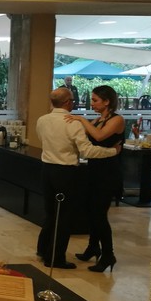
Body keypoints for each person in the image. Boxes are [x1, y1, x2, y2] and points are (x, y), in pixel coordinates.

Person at [35, 87, 119, 269]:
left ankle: (43, 250)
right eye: (72, 100)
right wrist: (113, 151)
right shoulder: (72, 123)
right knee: (64, 216)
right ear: (67, 103)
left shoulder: (42, 120)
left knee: (50, 213)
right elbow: (86, 151)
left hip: (46, 169)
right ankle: (55, 257)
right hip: (65, 172)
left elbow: (42, 140)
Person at [64, 85, 124, 272]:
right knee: (91, 211)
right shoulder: (98, 119)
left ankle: (108, 254)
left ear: (107, 101)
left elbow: (98, 136)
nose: (92, 103)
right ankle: (93, 247)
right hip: (94, 169)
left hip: (108, 173)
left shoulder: (117, 120)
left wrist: (81, 119)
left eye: (95, 100)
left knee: (99, 214)